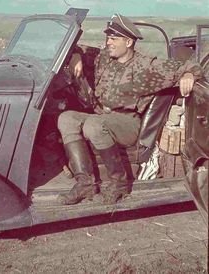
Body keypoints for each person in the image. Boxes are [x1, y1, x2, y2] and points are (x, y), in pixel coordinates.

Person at [57, 13, 203, 205]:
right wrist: (76, 55)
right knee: (66, 118)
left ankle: (119, 183)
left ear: (128, 42)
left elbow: (190, 65)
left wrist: (189, 75)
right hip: (102, 116)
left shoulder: (146, 66)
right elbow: (79, 49)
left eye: (113, 39)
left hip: (128, 123)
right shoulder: (104, 58)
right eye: (108, 38)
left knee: (93, 124)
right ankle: (85, 184)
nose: (108, 42)